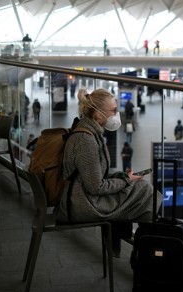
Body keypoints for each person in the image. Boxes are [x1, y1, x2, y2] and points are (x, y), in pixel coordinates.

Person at [54, 88, 162, 258]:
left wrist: (123, 177)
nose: (116, 115)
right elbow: (96, 186)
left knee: (141, 188)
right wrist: (126, 181)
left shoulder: (89, 132)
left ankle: (143, 247)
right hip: (81, 203)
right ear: (98, 115)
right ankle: (147, 251)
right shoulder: (86, 140)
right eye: (113, 111)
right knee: (145, 191)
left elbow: (93, 176)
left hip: (81, 196)